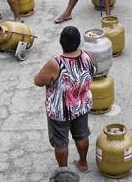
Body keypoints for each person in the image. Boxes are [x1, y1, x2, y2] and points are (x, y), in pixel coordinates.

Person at [34, 26, 96, 170]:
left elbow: (38, 81)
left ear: (61, 42)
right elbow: (95, 70)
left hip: (60, 111)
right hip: (81, 106)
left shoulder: (56, 64)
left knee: (61, 142)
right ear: (78, 42)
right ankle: (83, 163)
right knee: (82, 135)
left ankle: (63, 171)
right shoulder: (88, 56)